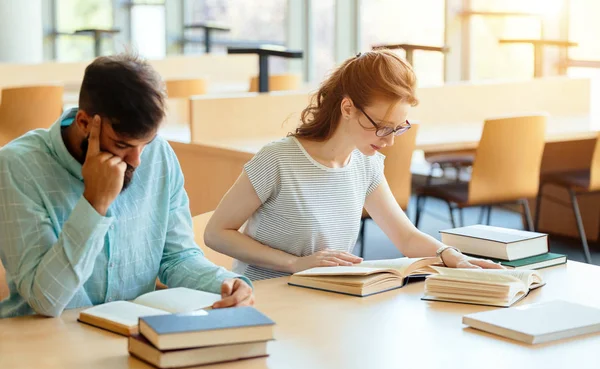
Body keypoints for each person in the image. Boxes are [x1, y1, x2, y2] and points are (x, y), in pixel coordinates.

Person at [204, 50, 503, 281]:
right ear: (347, 108)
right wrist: (295, 264)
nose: (389, 141)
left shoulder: (365, 165)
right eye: (382, 127)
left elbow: (406, 236)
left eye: (399, 128)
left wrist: (450, 254)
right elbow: (216, 233)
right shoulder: (278, 160)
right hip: (269, 299)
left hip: (327, 299)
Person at [0, 54, 253, 318]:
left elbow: (177, 258)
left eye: (146, 142)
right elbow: (46, 301)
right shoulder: (19, 167)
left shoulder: (159, 155)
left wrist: (225, 284)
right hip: (42, 340)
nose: (137, 160)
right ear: (85, 122)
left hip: (129, 336)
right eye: (122, 145)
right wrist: (94, 203)